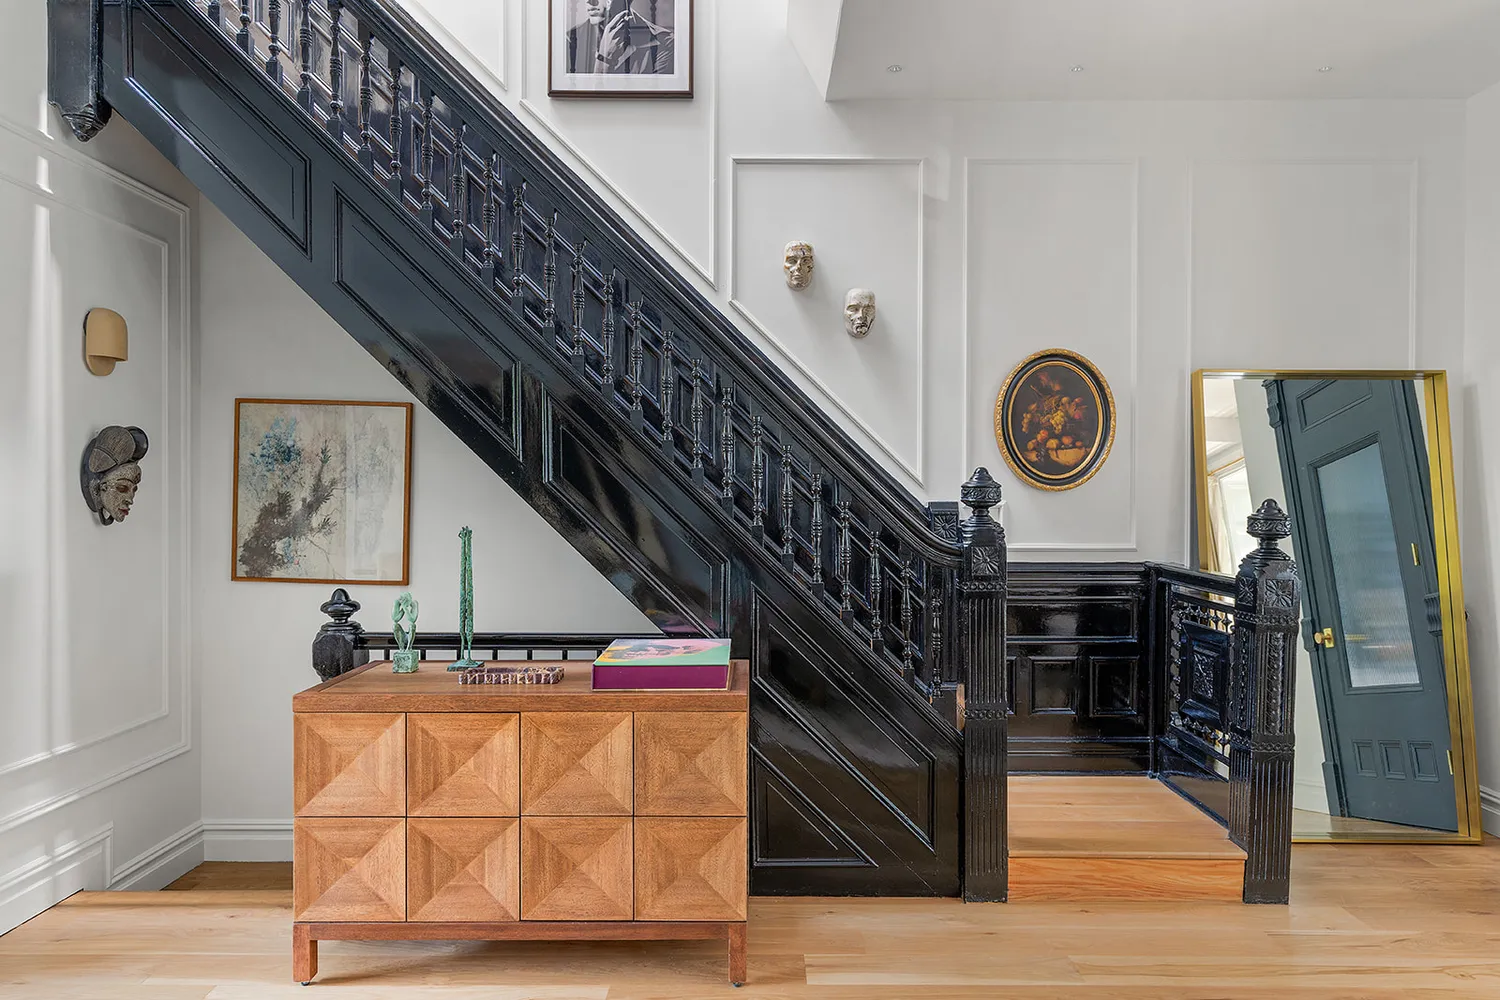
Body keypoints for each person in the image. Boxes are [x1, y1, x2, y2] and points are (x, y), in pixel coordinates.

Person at [567, 0, 674, 75]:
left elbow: (651, 102)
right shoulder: (570, 39)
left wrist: (604, 59)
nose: (590, 1)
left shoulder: (665, 43)